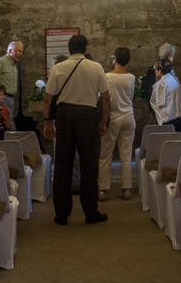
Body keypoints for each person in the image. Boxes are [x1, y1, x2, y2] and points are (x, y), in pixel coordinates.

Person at [43, 34, 110, 225]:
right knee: (89, 164)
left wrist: (47, 122)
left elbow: (48, 99)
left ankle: (62, 214)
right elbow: (106, 98)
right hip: (87, 115)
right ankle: (91, 212)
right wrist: (104, 122)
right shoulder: (95, 67)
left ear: (69, 49)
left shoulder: (59, 68)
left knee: (63, 163)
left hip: (64, 115)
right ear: (86, 49)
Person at [98, 47, 136, 201]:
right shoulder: (131, 77)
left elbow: (105, 98)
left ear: (115, 59)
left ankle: (103, 189)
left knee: (105, 154)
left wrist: (103, 120)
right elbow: (131, 96)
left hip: (113, 116)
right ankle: (126, 188)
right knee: (126, 155)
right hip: (128, 116)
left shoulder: (108, 76)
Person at [0, 41, 23, 116]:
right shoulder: (1, 62)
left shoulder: (13, 64)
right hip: (3, 98)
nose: (20, 54)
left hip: (10, 98)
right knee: (6, 121)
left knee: (9, 120)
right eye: (18, 51)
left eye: (21, 52)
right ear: (10, 51)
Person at [150, 59, 181, 124]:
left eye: (155, 69)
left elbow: (160, 104)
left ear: (160, 71)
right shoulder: (175, 79)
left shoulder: (160, 84)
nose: (155, 71)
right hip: (180, 117)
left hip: (168, 119)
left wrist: (162, 121)